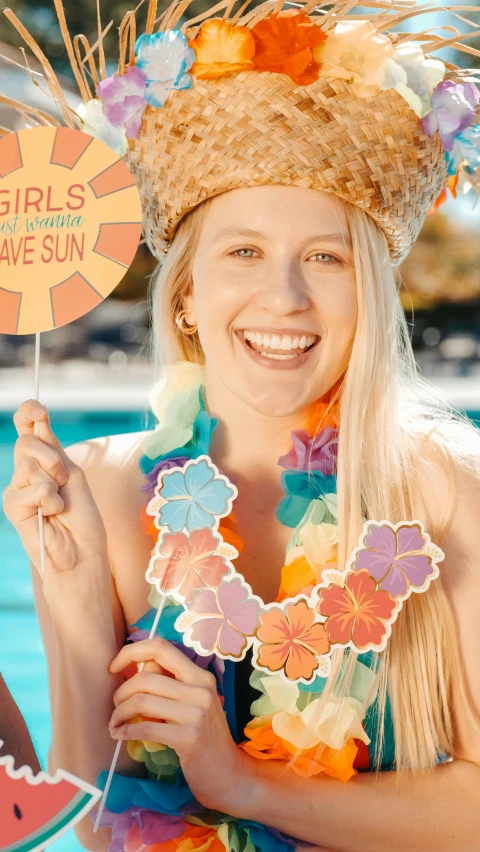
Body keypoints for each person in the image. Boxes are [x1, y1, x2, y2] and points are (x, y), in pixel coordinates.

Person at [2, 1, 480, 851]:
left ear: (368, 290)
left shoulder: (447, 493)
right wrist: (77, 602)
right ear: (186, 290)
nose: (286, 299)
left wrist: (240, 783)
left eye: (326, 258)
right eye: (244, 252)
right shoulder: (100, 490)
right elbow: (91, 818)